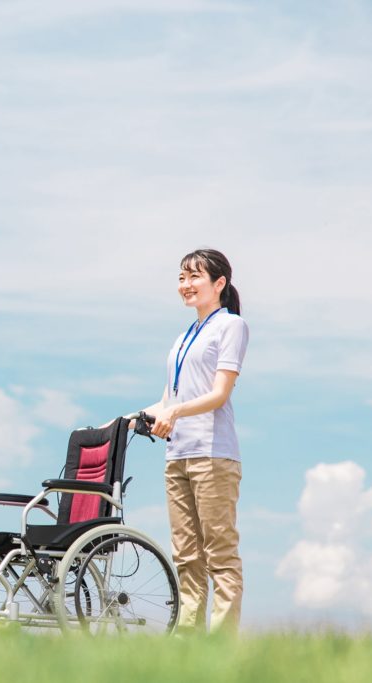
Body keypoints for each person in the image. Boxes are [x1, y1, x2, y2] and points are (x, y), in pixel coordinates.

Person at [142, 248, 249, 633]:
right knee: (186, 556)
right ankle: (188, 643)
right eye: (181, 277)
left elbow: (219, 394)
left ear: (219, 283)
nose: (185, 285)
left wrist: (174, 413)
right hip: (178, 455)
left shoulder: (230, 326)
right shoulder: (185, 335)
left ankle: (220, 645)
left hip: (213, 455)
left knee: (219, 554)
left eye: (194, 277)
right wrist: (125, 418)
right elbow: (168, 400)